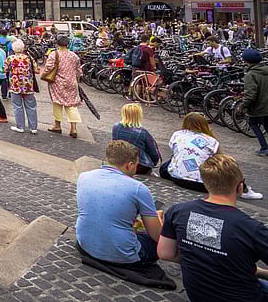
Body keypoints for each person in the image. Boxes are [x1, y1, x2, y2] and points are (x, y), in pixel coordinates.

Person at [158, 154, 268, 301]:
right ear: (240, 187)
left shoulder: (178, 211)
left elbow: (165, 253)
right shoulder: (251, 228)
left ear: (206, 184)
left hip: (198, 295)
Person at [76, 141, 161, 265]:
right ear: (129, 165)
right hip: (125, 255)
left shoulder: (83, 177)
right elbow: (156, 235)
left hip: (85, 244)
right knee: (161, 244)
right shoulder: (138, 188)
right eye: (136, 165)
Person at [160, 112, 262, 199]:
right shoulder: (210, 140)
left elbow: (176, 152)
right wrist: (211, 136)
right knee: (226, 165)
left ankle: (179, 172)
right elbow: (220, 159)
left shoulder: (177, 134)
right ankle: (243, 189)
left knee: (171, 161)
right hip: (203, 184)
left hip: (176, 178)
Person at [41, 35, 83, 138]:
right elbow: (78, 70)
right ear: (67, 44)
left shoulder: (54, 54)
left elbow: (48, 68)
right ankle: (73, 128)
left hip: (57, 82)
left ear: (57, 44)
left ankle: (57, 125)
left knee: (57, 102)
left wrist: (44, 75)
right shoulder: (74, 55)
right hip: (71, 83)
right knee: (71, 105)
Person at [112, 103, 161, 175]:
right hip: (138, 165)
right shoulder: (142, 132)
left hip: (119, 162)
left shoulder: (116, 127)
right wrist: (153, 163)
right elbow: (153, 153)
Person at [6, 39, 37, 134]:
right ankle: (33, 127)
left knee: (17, 106)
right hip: (28, 85)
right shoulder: (29, 58)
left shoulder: (10, 58)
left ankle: (20, 126)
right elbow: (36, 70)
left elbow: (5, 69)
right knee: (31, 106)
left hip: (15, 85)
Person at [241, 48, 268, 156]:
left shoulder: (250, 75)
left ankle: (264, 147)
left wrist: (243, 105)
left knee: (253, 123)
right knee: (267, 124)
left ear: (247, 61)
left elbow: (250, 95)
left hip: (259, 106)